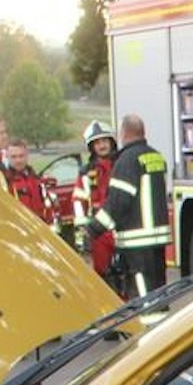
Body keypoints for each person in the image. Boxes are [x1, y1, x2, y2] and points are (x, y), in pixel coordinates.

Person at [90, 113, 171, 300]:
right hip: (157, 239)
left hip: (137, 241)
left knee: (144, 298)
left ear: (124, 134)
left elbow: (118, 202)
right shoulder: (155, 156)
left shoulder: (126, 160)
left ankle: (150, 327)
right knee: (159, 291)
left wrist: (94, 229)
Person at [73, 119, 119, 290]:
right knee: (102, 273)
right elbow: (79, 202)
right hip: (98, 229)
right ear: (91, 146)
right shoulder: (86, 172)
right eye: (97, 142)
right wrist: (83, 234)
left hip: (121, 225)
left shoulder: (121, 165)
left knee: (126, 269)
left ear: (111, 142)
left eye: (104, 141)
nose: (102, 145)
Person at [4, 139, 53, 225]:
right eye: (14, 157)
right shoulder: (5, 181)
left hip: (40, 227)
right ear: (7, 157)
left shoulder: (35, 179)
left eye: (21, 156)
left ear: (27, 155)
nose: (18, 160)